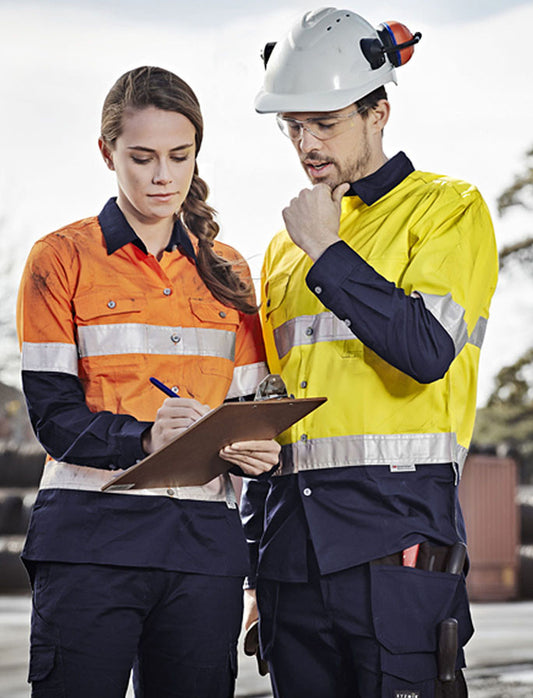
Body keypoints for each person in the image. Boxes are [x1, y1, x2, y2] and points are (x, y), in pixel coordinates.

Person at [241, 7, 498, 698]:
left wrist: (327, 249)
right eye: (292, 126)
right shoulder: (279, 250)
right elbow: (271, 407)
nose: (305, 143)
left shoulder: (446, 208)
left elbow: (425, 351)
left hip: (397, 537)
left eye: (324, 123)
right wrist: (253, 565)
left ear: (378, 111)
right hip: (290, 549)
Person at [16, 65, 280, 698]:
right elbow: (53, 416)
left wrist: (262, 453)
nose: (163, 176)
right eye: (141, 157)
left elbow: (248, 409)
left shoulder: (229, 270)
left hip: (202, 554)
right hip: (90, 545)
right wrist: (144, 439)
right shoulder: (60, 259)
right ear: (107, 153)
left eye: (178, 156)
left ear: (196, 156)